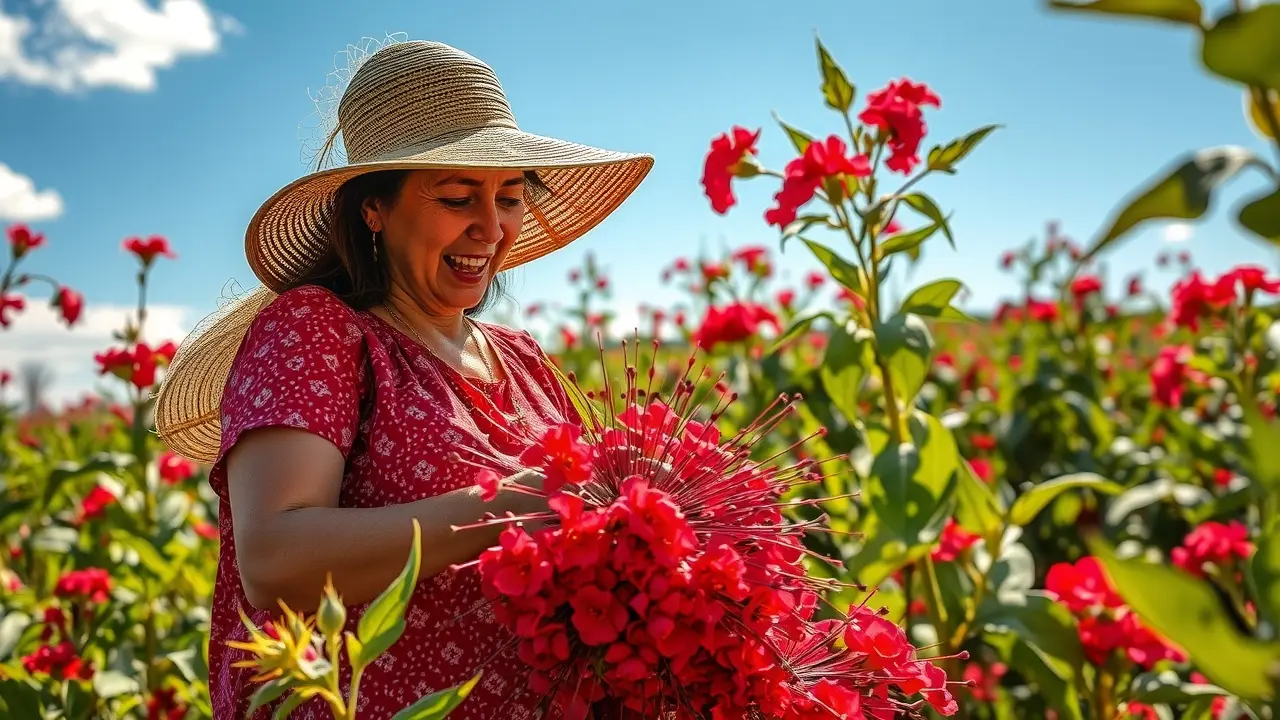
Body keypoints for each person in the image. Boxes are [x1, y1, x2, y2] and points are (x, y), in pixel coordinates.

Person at [154, 38, 652, 719]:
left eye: (509, 197)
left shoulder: (525, 361)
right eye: (457, 196)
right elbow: (274, 558)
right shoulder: (319, 332)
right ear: (374, 209)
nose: (491, 227)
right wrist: (513, 503)